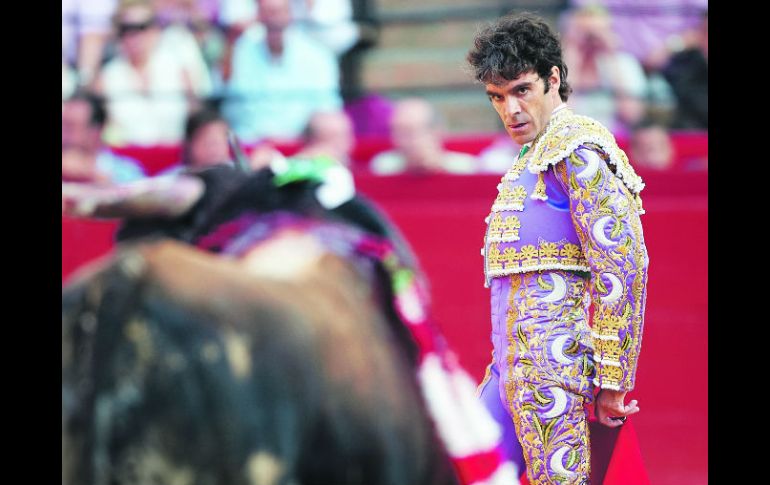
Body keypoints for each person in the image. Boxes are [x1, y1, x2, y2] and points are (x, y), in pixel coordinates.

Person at [467, 13, 649, 484]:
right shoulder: (530, 158)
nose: (511, 110)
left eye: (521, 90)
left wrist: (613, 381)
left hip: (557, 373)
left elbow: (622, 266)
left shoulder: (578, 151)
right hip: (506, 371)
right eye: (497, 97)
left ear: (553, 80)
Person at [221, 0, 343, 143]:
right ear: (258, 15)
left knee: (334, 126)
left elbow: (327, 107)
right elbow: (229, 104)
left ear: (291, 14)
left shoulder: (318, 55)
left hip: (302, 144)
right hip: (249, 142)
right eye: (268, 12)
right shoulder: (239, 52)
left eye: (279, 11)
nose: (274, 18)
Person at [369, 98, 477, 175]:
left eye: (409, 132)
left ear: (436, 132)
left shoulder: (466, 168)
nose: (401, 142)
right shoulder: (383, 167)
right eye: (397, 132)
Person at [62, 90, 146, 184]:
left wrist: (90, 176)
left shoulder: (125, 172)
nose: (63, 134)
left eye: (70, 127)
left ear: (96, 131)